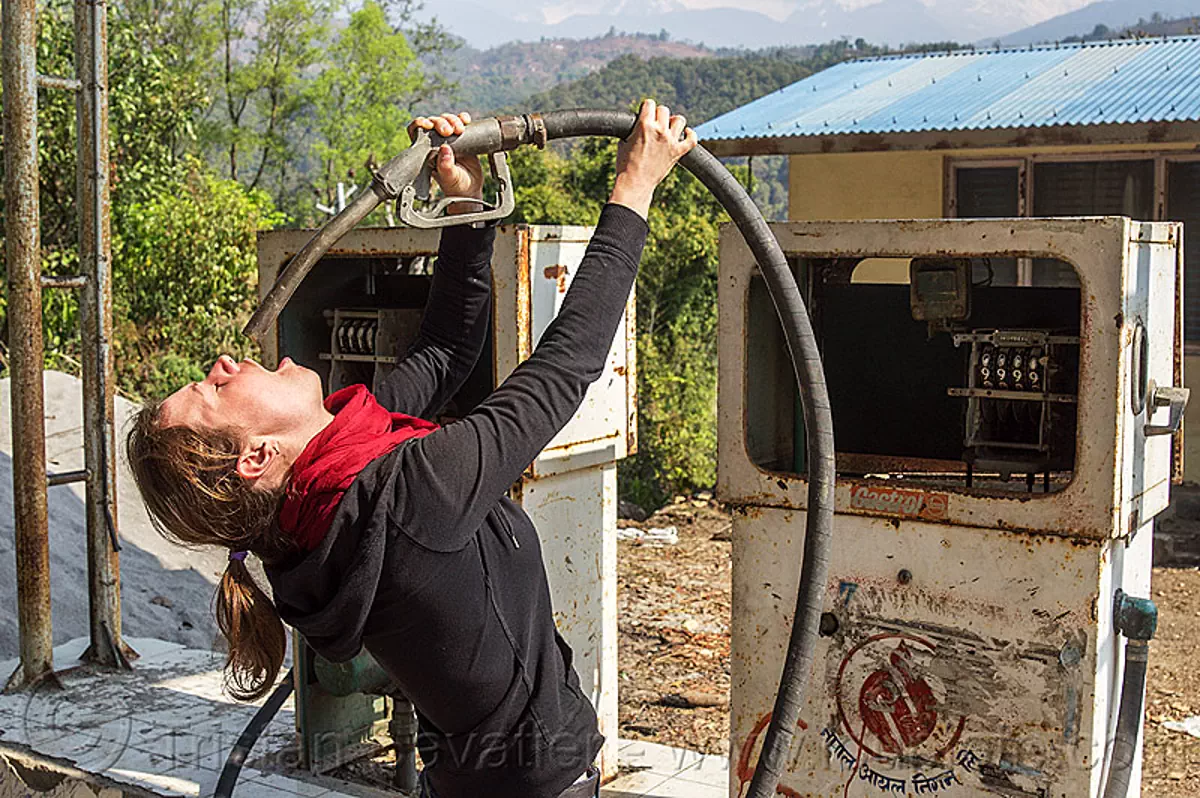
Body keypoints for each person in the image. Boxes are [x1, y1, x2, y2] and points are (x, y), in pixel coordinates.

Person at [126, 100, 697, 798]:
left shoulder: (327, 494)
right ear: (255, 458)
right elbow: (562, 371)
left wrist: (465, 204)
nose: (221, 362)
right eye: (209, 390)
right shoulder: (403, 497)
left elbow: (445, 350)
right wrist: (633, 190)